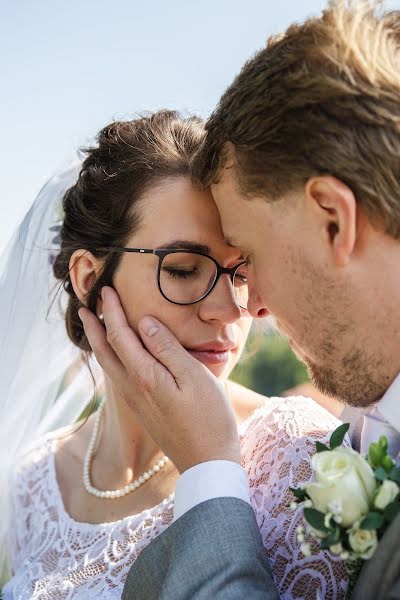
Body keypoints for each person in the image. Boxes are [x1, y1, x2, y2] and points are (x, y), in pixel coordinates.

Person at [79, 3, 400, 599]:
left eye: (245, 260)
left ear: (334, 220)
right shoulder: (367, 433)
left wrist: (209, 469)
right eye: (183, 269)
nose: (246, 308)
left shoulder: (298, 455)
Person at [1, 110, 347, 599]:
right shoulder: (36, 482)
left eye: (241, 272)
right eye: (183, 269)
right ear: (87, 279)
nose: (228, 310)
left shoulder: (299, 460)